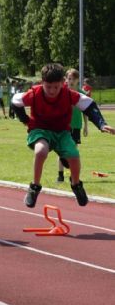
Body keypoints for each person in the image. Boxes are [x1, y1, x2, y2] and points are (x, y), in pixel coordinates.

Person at [12, 63, 115, 208]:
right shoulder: (34, 93)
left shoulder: (68, 94)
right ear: (42, 82)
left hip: (62, 132)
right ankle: (34, 187)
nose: (52, 91)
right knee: (41, 151)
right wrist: (25, 120)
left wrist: (101, 124)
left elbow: (89, 105)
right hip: (40, 130)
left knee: (74, 155)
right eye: (48, 87)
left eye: (56, 87)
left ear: (62, 83)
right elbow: (15, 101)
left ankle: (76, 185)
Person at [57, 69, 88, 183]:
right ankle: (60, 175)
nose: (70, 81)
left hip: (76, 126)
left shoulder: (82, 94)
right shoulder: (62, 92)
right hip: (64, 126)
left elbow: (85, 111)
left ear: (77, 80)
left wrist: (86, 126)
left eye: (73, 79)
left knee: (73, 151)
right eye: (69, 78)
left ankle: (73, 176)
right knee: (62, 151)